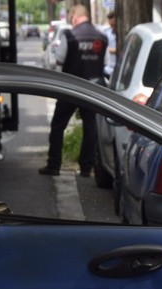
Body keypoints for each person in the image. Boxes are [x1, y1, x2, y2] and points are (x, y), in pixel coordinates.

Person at [38, 4, 107, 177]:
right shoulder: (102, 37)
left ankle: (54, 165)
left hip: (70, 88)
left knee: (58, 126)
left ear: (75, 16)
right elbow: (104, 64)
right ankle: (86, 167)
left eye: (70, 17)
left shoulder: (70, 36)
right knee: (90, 127)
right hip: (92, 90)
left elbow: (59, 60)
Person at [102, 10, 117, 80]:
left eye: (114, 25)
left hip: (119, 69)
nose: (113, 27)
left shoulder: (122, 33)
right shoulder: (106, 33)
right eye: (111, 25)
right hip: (108, 70)